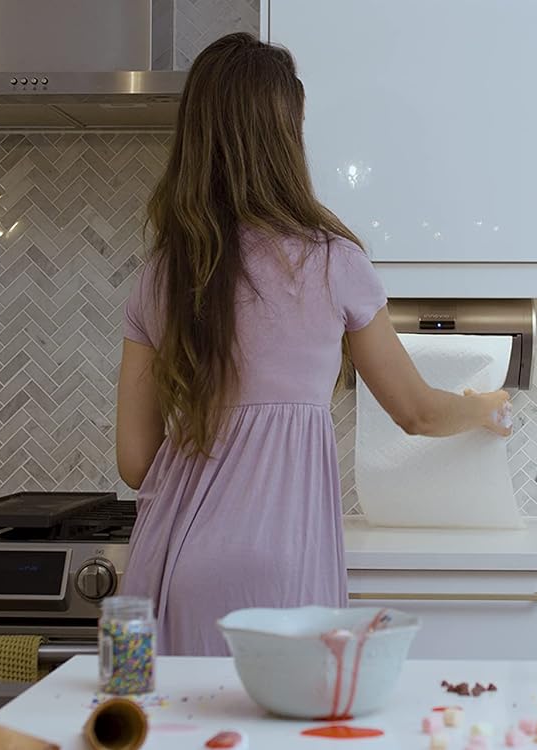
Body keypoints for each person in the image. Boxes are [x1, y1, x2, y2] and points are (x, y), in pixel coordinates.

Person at [114, 32, 512, 656]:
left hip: (168, 565)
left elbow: (136, 463)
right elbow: (418, 411)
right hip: (280, 571)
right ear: (285, 135)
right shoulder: (332, 264)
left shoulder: (161, 276)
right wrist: (484, 405)